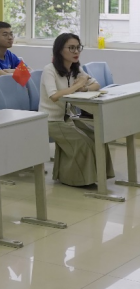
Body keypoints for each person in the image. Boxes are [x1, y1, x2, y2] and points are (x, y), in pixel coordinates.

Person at [40, 33, 114, 187]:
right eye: (71, 48)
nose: (76, 52)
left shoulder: (75, 68)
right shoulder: (49, 70)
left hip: (69, 118)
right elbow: (54, 96)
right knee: (83, 143)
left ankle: (100, 175)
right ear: (60, 50)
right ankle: (78, 180)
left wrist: (84, 87)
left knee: (97, 136)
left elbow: (96, 85)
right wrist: (78, 85)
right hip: (51, 120)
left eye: (78, 48)